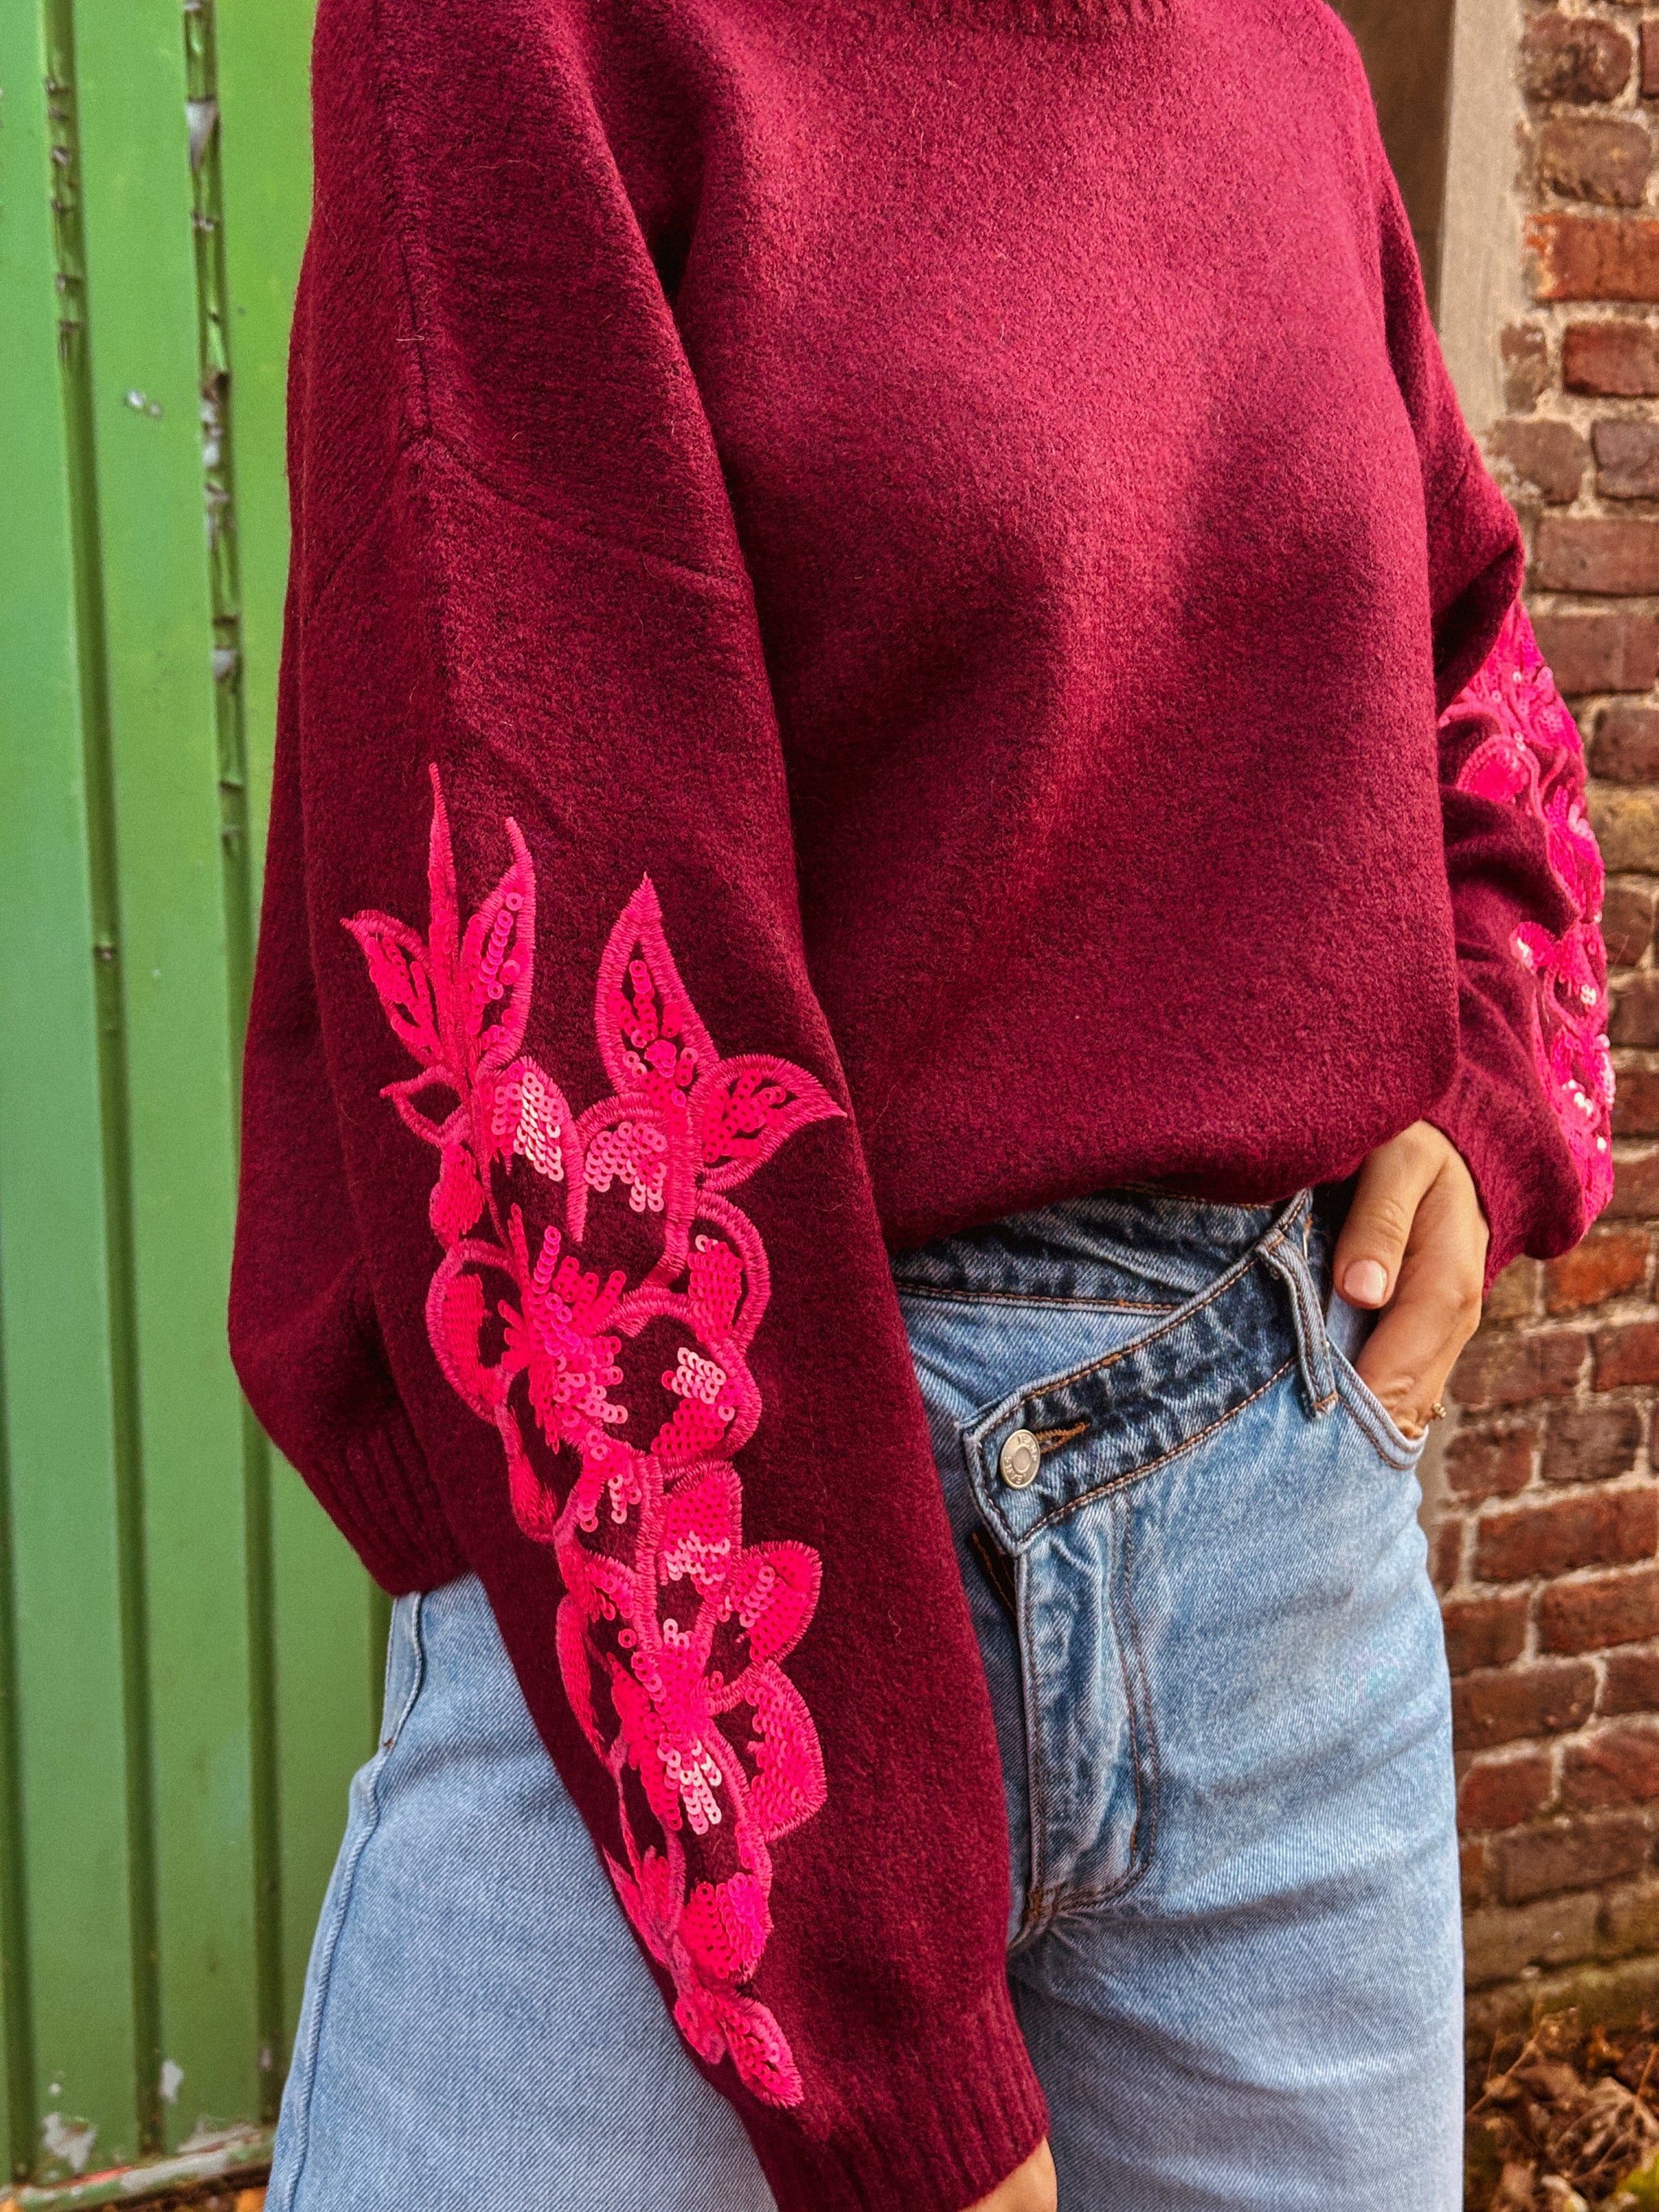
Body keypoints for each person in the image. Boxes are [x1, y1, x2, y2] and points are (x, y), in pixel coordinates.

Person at [227, 0, 1614, 2204]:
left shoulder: (1280, 52)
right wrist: (886, 2057)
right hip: (700, 1602)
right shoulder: (521, 39)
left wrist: (1496, 1054)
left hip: (1286, 1561)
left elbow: (1459, 632)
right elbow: (543, 942)